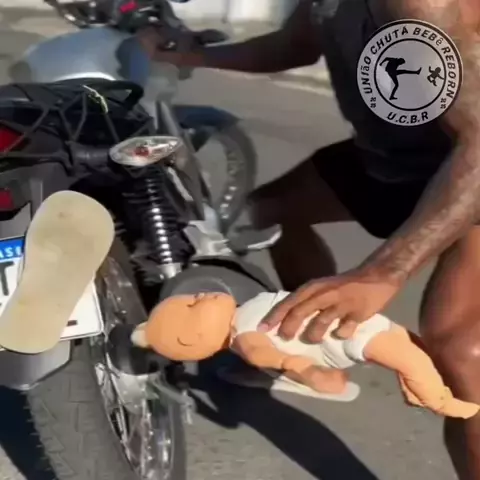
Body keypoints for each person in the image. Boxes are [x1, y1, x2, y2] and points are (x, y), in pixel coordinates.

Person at [139, 0, 480, 478]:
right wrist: (191, 56)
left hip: (467, 170)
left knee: (460, 351)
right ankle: (318, 349)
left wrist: (382, 272)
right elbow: (292, 47)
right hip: (392, 162)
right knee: (271, 210)